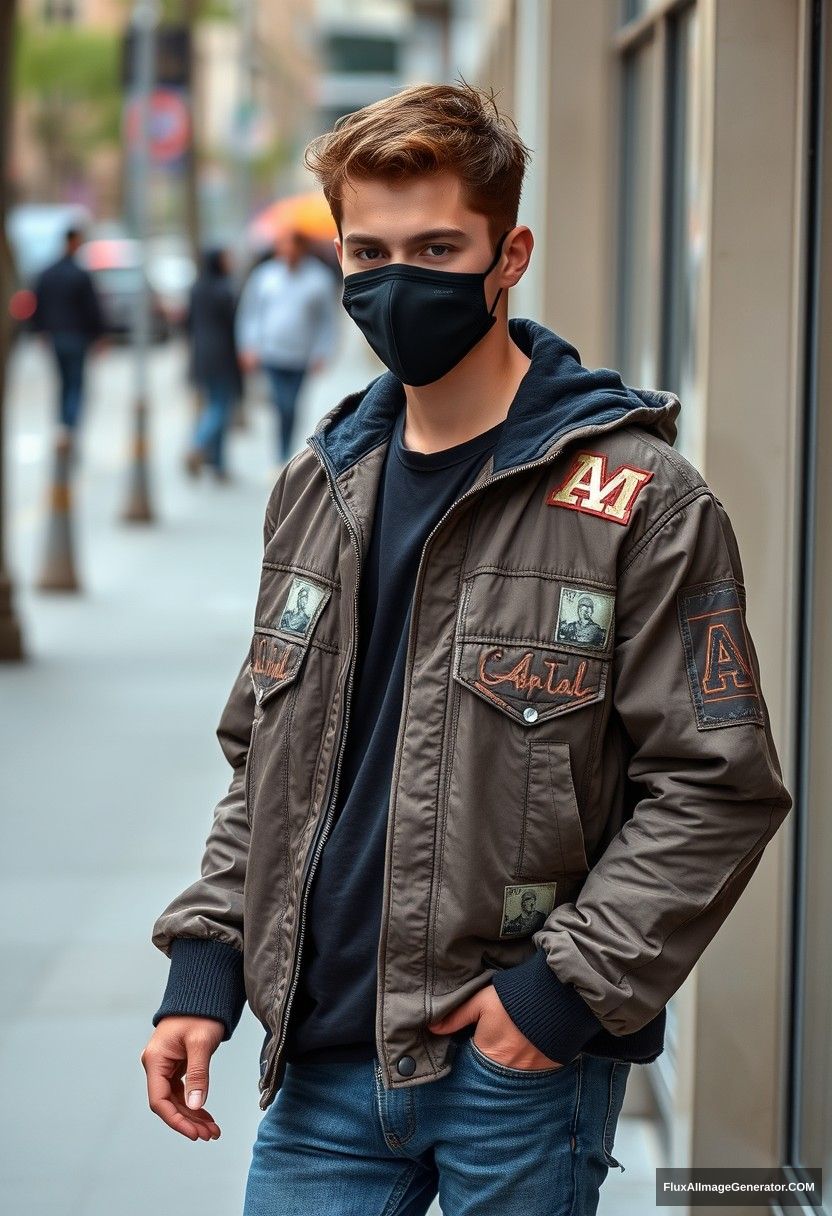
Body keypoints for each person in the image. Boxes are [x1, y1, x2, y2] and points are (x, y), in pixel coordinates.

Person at [142, 83, 792, 1216]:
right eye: (368, 252)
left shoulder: (642, 501)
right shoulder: (320, 484)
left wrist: (556, 999)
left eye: (437, 247)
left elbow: (715, 784)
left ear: (510, 254)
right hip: (322, 1065)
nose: (397, 284)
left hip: (515, 1072)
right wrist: (204, 964)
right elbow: (266, 762)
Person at [235, 227, 339, 466]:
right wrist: (248, 345)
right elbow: (250, 313)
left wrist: (323, 351)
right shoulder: (265, 276)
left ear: (302, 249)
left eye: (292, 247)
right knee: (282, 404)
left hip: (301, 355)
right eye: (283, 246)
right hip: (271, 353)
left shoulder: (318, 278)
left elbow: (327, 320)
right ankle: (280, 454)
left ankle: (285, 450)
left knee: (291, 406)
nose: (288, 252)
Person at [32, 226, 106, 433]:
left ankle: (62, 425)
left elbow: (38, 304)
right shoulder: (80, 275)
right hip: (76, 336)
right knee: (75, 384)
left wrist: (39, 330)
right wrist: (99, 335)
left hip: (56, 335)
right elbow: (92, 308)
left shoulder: (47, 273)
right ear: (73, 242)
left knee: (64, 383)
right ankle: (69, 426)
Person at [183, 247, 241, 482]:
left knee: (214, 403)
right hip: (223, 355)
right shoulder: (224, 290)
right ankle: (198, 443)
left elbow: (187, 324)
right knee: (219, 408)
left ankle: (218, 465)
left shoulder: (197, 289)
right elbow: (235, 325)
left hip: (201, 355)